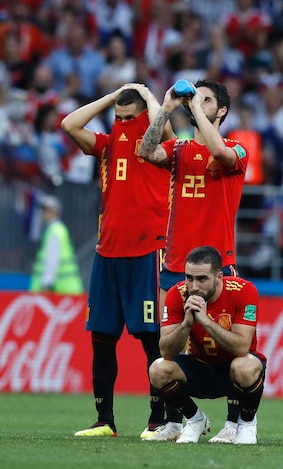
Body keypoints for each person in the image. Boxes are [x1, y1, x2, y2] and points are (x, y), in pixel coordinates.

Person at [138, 78, 249, 442]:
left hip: (220, 267)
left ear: (222, 111)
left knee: (226, 343)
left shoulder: (236, 149)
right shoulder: (180, 149)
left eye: (206, 100)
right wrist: (168, 106)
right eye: (195, 99)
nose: (196, 103)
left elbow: (218, 152)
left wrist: (195, 110)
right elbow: (144, 151)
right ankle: (179, 420)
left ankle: (234, 423)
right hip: (176, 266)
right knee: (168, 344)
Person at [60, 83, 172, 438]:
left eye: (129, 116)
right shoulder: (108, 144)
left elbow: (165, 124)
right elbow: (69, 125)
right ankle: (104, 420)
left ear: (144, 114)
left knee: (150, 338)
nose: (122, 122)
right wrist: (112, 97)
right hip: (107, 252)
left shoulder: (159, 146)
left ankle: (160, 419)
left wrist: (147, 94)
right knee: (102, 338)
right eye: (117, 117)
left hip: (147, 252)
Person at [148, 246, 265, 445]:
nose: (194, 286)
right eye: (189, 278)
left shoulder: (244, 291)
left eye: (202, 279)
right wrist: (186, 324)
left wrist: (206, 321)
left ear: (219, 276)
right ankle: (195, 419)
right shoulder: (177, 294)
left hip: (234, 371)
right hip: (200, 367)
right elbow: (166, 351)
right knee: (158, 369)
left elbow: (242, 347)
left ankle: (246, 423)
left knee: (244, 365)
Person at [29, 194, 84, 295]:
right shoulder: (56, 230)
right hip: (65, 290)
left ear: (55, 212)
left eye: (46, 210)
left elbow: (52, 260)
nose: (42, 213)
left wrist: (46, 285)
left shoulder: (55, 231)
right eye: (42, 210)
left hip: (61, 291)